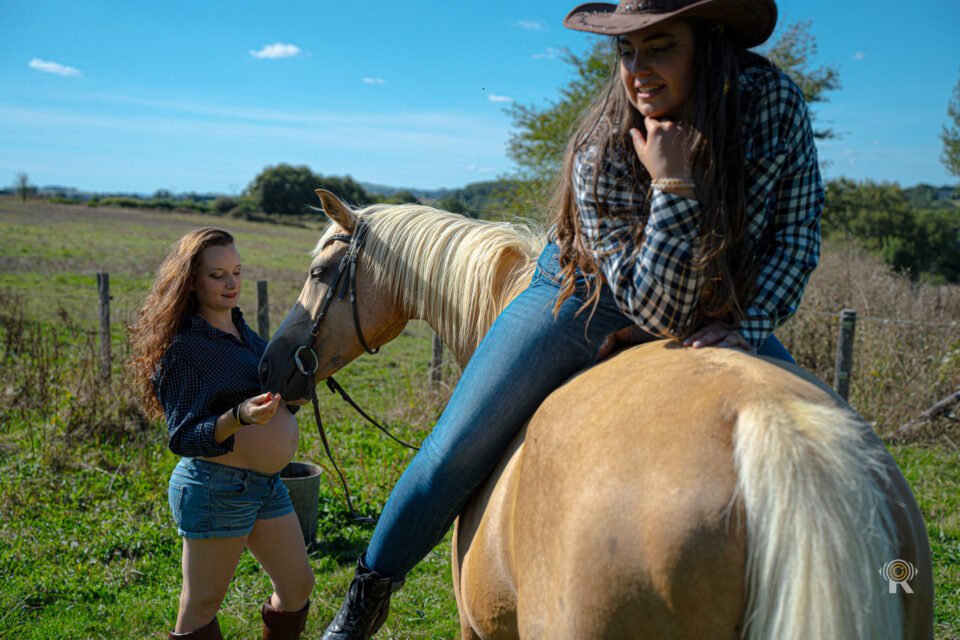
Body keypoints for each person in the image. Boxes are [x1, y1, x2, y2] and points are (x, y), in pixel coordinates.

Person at [321, 0, 822, 637]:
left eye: (661, 46)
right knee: (456, 447)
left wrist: (747, 326)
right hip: (590, 288)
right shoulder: (602, 145)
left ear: (710, 44)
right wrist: (673, 185)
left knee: (837, 440)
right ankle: (365, 597)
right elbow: (653, 307)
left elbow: (796, 236)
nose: (638, 70)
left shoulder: (773, 104)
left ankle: (891, 574)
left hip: (725, 300)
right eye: (626, 51)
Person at [129, 228, 314, 640]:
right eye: (217, 275)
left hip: (265, 485)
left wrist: (294, 394)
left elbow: (271, 398)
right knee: (201, 605)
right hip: (217, 487)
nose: (231, 283)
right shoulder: (184, 350)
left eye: (237, 272)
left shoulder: (245, 334)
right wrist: (239, 416)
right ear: (191, 281)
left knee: (297, 586)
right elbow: (184, 436)